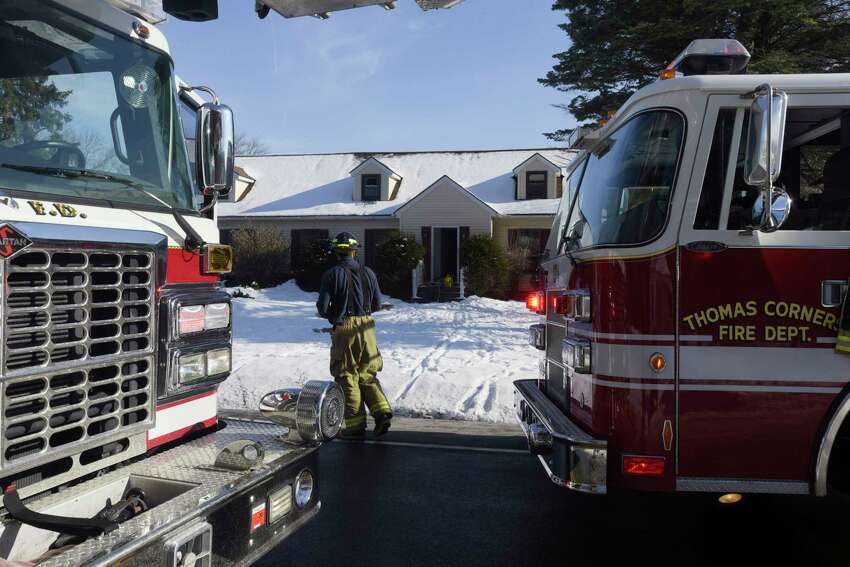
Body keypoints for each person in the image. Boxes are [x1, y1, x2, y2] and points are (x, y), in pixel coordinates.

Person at [317, 232, 392, 437]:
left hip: (345, 328)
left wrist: (335, 316)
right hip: (367, 327)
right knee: (368, 372)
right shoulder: (369, 272)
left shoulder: (332, 274)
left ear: (337, 252)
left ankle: (356, 425)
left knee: (347, 374)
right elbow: (376, 304)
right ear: (354, 250)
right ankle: (382, 412)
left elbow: (323, 308)